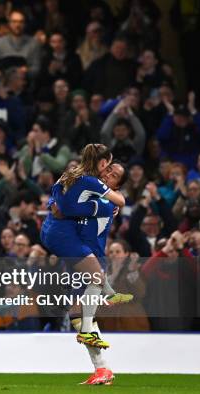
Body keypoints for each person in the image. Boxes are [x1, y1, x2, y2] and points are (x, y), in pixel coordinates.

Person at [41, 144, 127, 349]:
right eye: (108, 169)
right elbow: (119, 201)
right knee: (96, 280)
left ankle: (100, 368)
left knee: (79, 300)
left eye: (113, 175)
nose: (107, 174)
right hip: (70, 243)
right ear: (102, 163)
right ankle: (89, 334)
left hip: (58, 236)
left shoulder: (70, 175)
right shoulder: (98, 192)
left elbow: (57, 201)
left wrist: (56, 206)